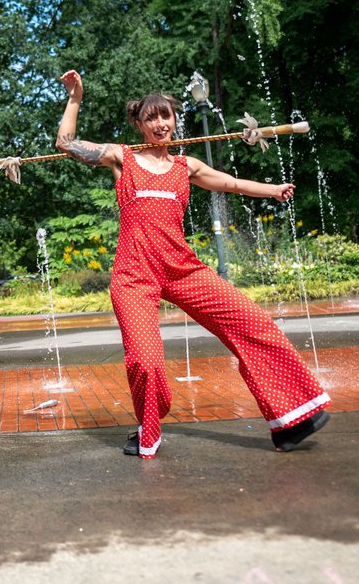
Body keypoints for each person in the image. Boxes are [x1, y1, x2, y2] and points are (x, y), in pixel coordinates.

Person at [56, 70, 330, 459]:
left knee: (254, 323)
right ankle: (148, 427)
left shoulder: (187, 166)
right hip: (134, 275)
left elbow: (230, 183)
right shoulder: (122, 157)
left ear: (174, 119)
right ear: (139, 124)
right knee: (145, 362)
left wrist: (273, 190)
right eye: (151, 118)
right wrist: (75, 97)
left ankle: (292, 417)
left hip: (182, 269)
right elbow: (66, 144)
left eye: (165, 115)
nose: (160, 124)